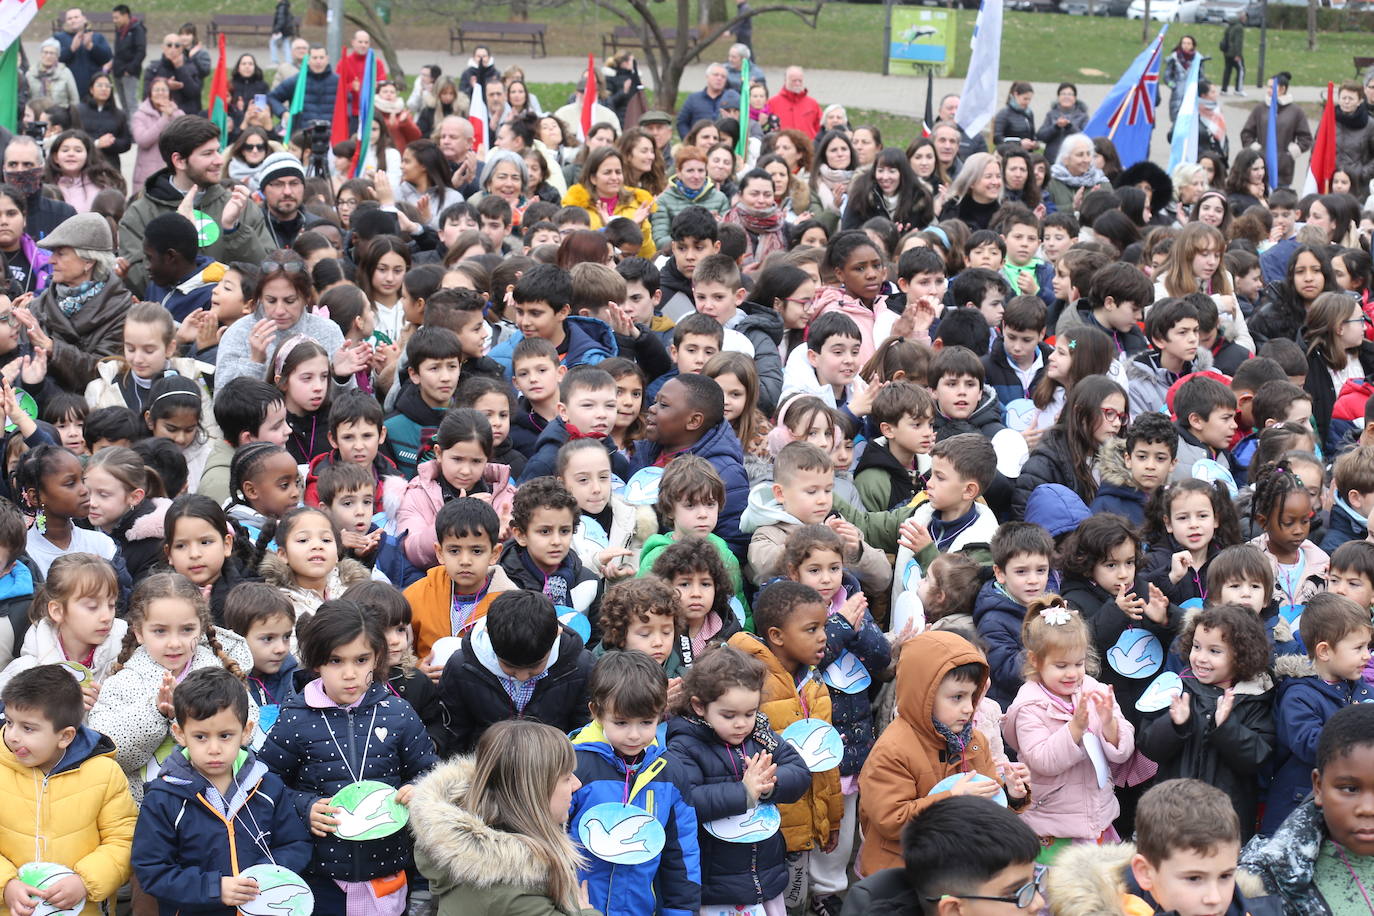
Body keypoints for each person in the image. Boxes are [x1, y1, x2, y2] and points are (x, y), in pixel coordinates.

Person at [258, 599, 436, 911]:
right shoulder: (296, 718)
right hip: (320, 875)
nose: (350, 674)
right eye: (336, 661)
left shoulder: (398, 713)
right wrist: (304, 807)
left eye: (361, 659)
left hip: (389, 869)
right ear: (316, 662)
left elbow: (430, 774)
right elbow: (264, 782)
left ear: (377, 658)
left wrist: (419, 791)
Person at [131, 666, 312, 914]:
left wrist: (264, 875)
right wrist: (215, 888)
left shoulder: (267, 786)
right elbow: (152, 870)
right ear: (180, 734)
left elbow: (296, 843)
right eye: (201, 737)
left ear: (246, 732)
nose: (214, 748)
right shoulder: (164, 797)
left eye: (225, 735)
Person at [858, 630, 1031, 874]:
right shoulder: (893, 750)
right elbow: (891, 819)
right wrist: (951, 799)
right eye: (957, 697)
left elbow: (986, 791)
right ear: (924, 695)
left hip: (955, 865)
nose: (968, 708)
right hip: (904, 871)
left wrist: (1008, 793)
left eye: (972, 696)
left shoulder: (974, 740)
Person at [410, 719, 601, 916]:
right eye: (567, 777)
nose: (577, 784)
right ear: (533, 793)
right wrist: (585, 912)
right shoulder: (510, 892)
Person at [0, 665, 137, 916]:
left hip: (85, 910)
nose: (13, 736)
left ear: (65, 736)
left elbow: (123, 839)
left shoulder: (104, 773)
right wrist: (5, 884)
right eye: (9, 722)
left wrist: (85, 881)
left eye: (28, 728)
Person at [119, 115, 273, 300]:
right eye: (207, 154)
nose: (219, 160)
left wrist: (235, 231)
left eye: (218, 151)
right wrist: (178, 235)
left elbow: (268, 276)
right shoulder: (139, 214)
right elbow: (143, 284)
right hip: (174, 325)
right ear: (179, 161)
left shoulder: (239, 206)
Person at [24, 212, 133, 391]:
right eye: (53, 253)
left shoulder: (121, 309)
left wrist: (52, 347)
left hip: (93, 410)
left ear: (88, 261)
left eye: (61, 254)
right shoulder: (38, 305)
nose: (51, 260)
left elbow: (105, 371)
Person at [1240, 72, 1312, 187]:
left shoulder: (1295, 111)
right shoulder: (1260, 108)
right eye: (1267, 87)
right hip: (1261, 166)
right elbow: (1246, 133)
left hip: (1283, 170)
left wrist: (1290, 153)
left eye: (1271, 87)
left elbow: (1306, 138)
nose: (1268, 90)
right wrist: (1257, 150)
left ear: (1282, 89)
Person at [3, 135, 77, 241]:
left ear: (41, 168)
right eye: (13, 164)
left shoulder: (63, 214)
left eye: (27, 164)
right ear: (4, 168)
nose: (19, 170)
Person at [268, 45, 339, 127]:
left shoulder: (338, 81)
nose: (318, 61)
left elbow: (348, 103)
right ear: (308, 60)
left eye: (321, 58)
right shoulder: (297, 80)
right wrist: (283, 112)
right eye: (315, 58)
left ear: (327, 59)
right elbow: (272, 97)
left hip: (331, 132)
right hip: (302, 134)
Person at [77, 73, 131, 173]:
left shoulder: (119, 114)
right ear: (91, 89)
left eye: (107, 86)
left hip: (111, 165)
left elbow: (126, 143)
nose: (104, 89)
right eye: (100, 85)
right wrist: (96, 143)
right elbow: (74, 136)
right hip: (84, 163)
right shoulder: (79, 111)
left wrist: (111, 142)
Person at [1045, 133, 1111, 214]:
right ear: (1065, 159)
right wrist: (1073, 207)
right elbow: (1043, 212)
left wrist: (1093, 204)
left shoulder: (1101, 182)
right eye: (1080, 155)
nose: (1086, 160)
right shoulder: (1049, 182)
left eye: (1088, 154)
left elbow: (1111, 215)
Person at [54, 8, 112, 98]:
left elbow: (107, 57)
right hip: (68, 86)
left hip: (92, 86)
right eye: (69, 19)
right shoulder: (58, 38)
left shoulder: (97, 37)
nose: (73, 20)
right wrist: (71, 49)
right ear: (66, 22)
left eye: (76, 17)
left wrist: (91, 46)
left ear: (84, 19)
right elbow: (55, 59)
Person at [143, 33, 202, 116]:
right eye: (169, 45)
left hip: (185, 114)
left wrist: (180, 68)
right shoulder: (153, 69)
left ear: (181, 48)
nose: (173, 49)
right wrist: (165, 85)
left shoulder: (191, 67)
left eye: (177, 46)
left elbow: (194, 93)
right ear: (163, 48)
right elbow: (146, 96)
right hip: (160, 115)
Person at [336, 30, 387, 125]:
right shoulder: (343, 63)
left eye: (366, 42)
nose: (363, 45)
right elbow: (337, 88)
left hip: (372, 111)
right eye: (360, 42)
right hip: (351, 113)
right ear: (353, 42)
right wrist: (351, 87)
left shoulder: (376, 63)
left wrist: (377, 86)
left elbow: (383, 84)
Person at [1037, 82, 1089, 164]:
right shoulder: (1051, 114)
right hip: (1052, 161)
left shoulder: (1083, 116)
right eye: (1063, 94)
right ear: (1058, 97)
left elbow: (1085, 138)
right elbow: (1041, 136)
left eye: (1070, 94)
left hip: (1074, 162)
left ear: (1075, 98)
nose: (1066, 97)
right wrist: (1056, 127)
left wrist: (1069, 127)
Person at [110, 4, 146, 115]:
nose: (114, 20)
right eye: (113, 18)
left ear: (125, 15)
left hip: (129, 73)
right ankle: (125, 129)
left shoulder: (137, 30)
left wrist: (129, 69)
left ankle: (135, 130)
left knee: (131, 104)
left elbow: (141, 52)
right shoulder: (119, 30)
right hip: (117, 72)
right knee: (123, 104)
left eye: (117, 17)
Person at [677, 63, 729, 139]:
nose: (719, 78)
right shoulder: (693, 99)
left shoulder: (730, 100)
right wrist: (689, 141)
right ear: (707, 77)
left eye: (723, 76)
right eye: (716, 75)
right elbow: (682, 122)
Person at [768, 66, 821, 139]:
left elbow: (820, 129)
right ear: (785, 80)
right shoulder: (772, 103)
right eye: (794, 80)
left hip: (808, 148)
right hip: (781, 147)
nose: (797, 83)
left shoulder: (813, 103)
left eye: (800, 80)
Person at [27, 38, 80, 109]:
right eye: (45, 52)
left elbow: (74, 99)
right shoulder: (31, 73)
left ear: (57, 56)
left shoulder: (65, 73)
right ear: (41, 54)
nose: (48, 56)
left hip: (60, 115)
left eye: (52, 53)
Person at [1162, 35, 1202, 122]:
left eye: (1188, 43)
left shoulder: (1198, 59)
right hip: (1178, 95)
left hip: (1192, 94)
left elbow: (1201, 77)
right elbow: (1166, 77)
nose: (1186, 45)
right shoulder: (1174, 58)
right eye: (1184, 43)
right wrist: (1174, 86)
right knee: (1176, 121)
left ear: (1192, 45)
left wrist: (1198, 87)